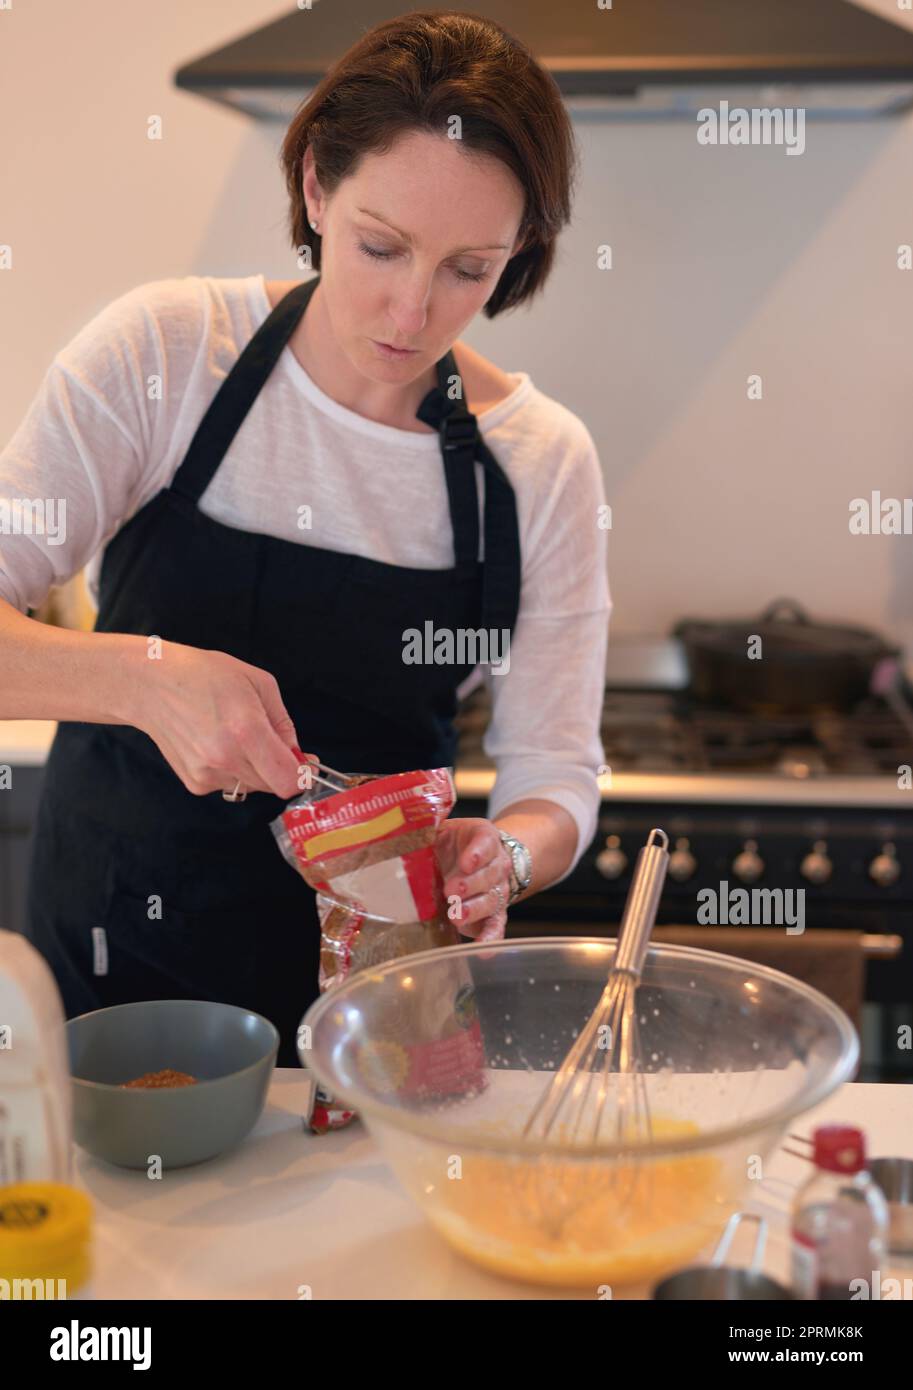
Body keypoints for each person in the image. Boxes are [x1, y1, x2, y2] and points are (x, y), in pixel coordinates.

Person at [0, 11, 610, 1066]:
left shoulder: (541, 461)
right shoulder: (167, 354)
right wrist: (146, 679)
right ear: (318, 190)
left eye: (469, 269)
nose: (412, 310)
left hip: (381, 1022)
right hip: (117, 998)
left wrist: (508, 854)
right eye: (381, 245)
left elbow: (556, 775)